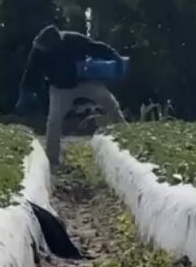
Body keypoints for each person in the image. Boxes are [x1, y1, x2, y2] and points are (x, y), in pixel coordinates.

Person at [17, 25, 126, 167]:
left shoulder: (73, 40)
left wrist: (116, 58)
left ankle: (125, 134)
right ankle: (53, 160)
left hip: (83, 81)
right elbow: (30, 72)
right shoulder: (39, 51)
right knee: (54, 121)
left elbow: (96, 47)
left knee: (109, 101)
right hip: (60, 88)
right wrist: (24, 92)